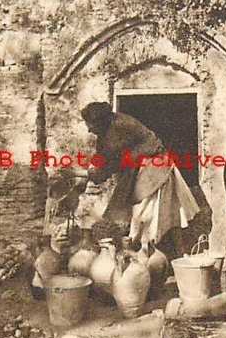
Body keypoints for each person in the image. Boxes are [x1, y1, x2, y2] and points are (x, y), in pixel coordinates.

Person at [81, 102, 200, 259]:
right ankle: (164, 260)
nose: (89, 130)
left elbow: (105, 168)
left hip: (155, 169)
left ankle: (155, 261)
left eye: (90, 125)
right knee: (156, 220)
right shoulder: (107, 130)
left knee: (148, 219)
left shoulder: (119, 128)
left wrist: (79, 173)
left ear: (100, 122)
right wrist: (86, 175)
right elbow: (101, 160)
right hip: (141, 168)